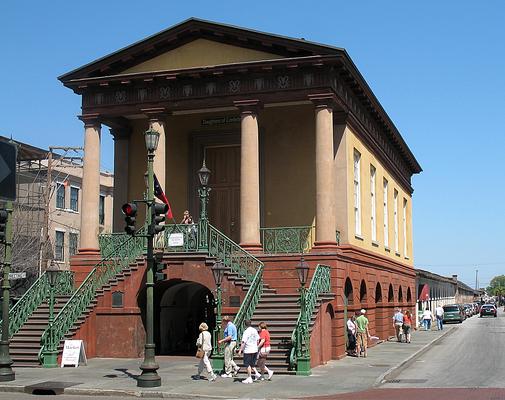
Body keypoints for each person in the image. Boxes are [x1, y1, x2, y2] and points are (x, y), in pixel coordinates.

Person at [237, 319, 259, 384]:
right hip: (254, 349)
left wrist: (240, 350)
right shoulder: (254, 330)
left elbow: (243, 342)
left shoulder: (246, 332)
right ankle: (256, 373)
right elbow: (258, 340)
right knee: (252, 364)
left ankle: (249, 377)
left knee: (247, 364)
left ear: (245, 325)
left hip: (248, 350)